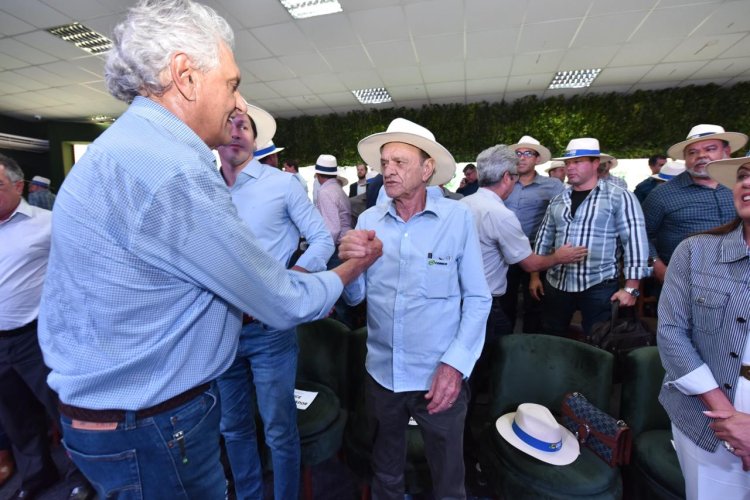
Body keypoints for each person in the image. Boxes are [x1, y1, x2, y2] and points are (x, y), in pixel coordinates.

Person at [37, 1, 381, 498]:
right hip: (152, 425)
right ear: (186, 76)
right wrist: (351, 268)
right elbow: (281, 300)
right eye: (233, 83)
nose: (238, 104)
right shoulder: (174, 170)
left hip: (120, 418)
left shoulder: (122, 148)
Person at [341, 117, 491, 499]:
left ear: (427, 169)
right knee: (386, 470)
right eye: (384, 162)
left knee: (447, 478)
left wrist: (455, 366)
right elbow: (356, 298)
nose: (388, 170)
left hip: (437, 378)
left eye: (400, 162)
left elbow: (477, 298)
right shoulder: (369, 220)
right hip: (382, 375)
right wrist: (350, 264)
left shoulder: (456, 219)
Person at [217, 105, 334, 499]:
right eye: (228, 123)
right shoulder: (204, 189)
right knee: (232, 427)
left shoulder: (281, 185)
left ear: (255, 138)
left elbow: (321, 239)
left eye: (244, 125)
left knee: (279, 428)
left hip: (269, 331)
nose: (236, 131)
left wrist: (292, 279)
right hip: (219, 332)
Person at [658, 155, 750, 498]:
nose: (746, 183)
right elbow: (670, 332)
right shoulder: (695, 251)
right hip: (707, 414)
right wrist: (726, 416)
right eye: (742, 177)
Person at [0, 154, 91, 500]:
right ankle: (36, 475)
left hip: (37, 336)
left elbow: (80, 267)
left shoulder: (48, 223)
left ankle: (82, 475)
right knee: (15, 416)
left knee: (63, 411)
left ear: (18, 186)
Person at [460, 145, 586, 394]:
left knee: (467, 357)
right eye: (514, 177)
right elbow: (530, 263)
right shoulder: (500, 214)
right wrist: (558, 256)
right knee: (490, 355)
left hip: (460, 296)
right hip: (485, 302)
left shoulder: (463, 204)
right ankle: (483, 407)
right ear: (507, 177)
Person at [534, 138, 650, 337]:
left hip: (599, 283)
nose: (570, 168)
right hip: (557, 282)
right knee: (551, 335)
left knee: (599, 339)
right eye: (568, 163)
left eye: (578, 162)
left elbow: (634, 241)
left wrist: (631, 288)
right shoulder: (558, 199)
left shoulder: (618, 196)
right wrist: (534, 276)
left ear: (596, 163)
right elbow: (544, 238)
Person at [643, 124, 746, 282]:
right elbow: (640, 236)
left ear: (726, 152)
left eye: (710, 149)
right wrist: (659, 268)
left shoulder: (740, 188)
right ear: (685, 158)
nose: (701, 155)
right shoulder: (662, 194)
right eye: (693, 152)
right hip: (683, 283)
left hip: (741, 279)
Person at [502, 135, 564, 333]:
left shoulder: (553, 185)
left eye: (528, 153)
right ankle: (504, 347)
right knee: (504, 301)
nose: (521, 157)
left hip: (537, 250)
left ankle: (530, 346)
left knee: (535, 303)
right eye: (518, 153)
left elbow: (561, 218)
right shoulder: (504, 183)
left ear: (537, 159)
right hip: (504, 250)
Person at [314, 154, 352, 256]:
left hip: (336, 247)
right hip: (344, 242)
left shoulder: (325, 192)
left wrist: (321, 252)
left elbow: (333, 230)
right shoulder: (338, 188)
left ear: (318, 174)